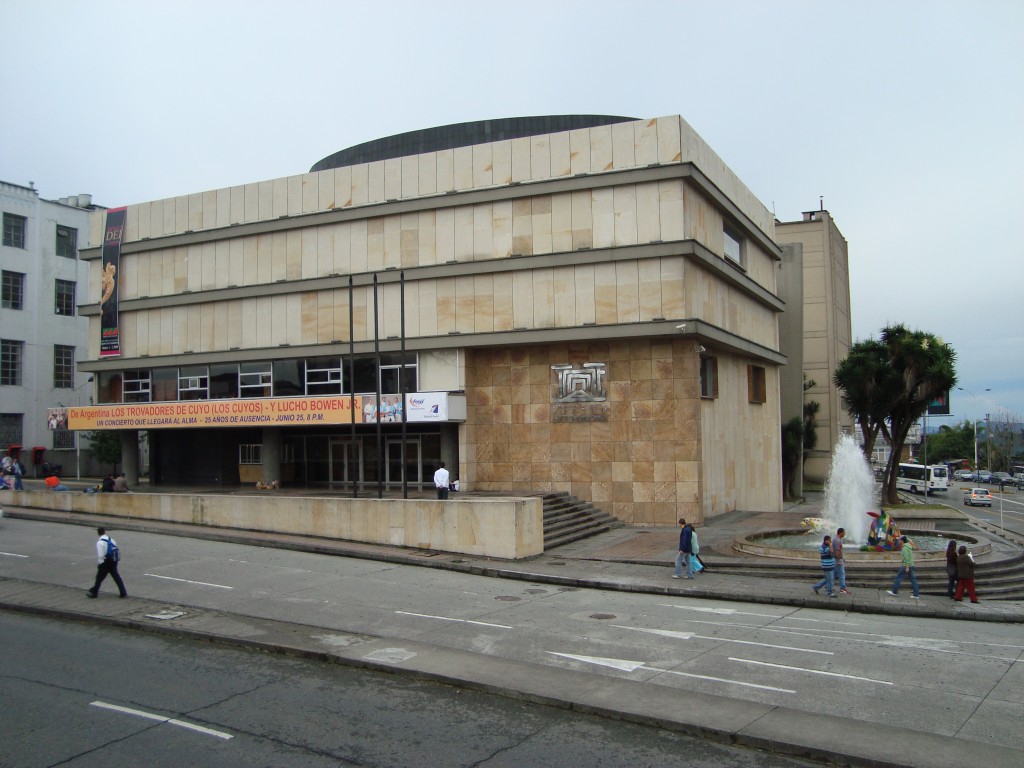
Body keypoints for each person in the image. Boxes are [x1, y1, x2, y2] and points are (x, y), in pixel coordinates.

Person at [87, 527, 127, 599]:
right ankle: (123, 592)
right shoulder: (111, 539)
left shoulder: (100, 543)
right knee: (116, 577)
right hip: (113, 561)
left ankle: (94, 593)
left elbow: (101, 555)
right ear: (104, 532)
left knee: (99, 578)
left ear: (98, 533)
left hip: (105, 562)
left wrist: (100, 564)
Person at [832, 527, 849, 594]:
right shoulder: (837, 540)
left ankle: (825, 586)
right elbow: (837, 551)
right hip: (838, 560)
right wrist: (839, 560)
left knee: (833, 574)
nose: (844, 534)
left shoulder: (836, 539)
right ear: (841, 533)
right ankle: (842, 588)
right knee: (842, 574)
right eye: (844, 532)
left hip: (837, 559)